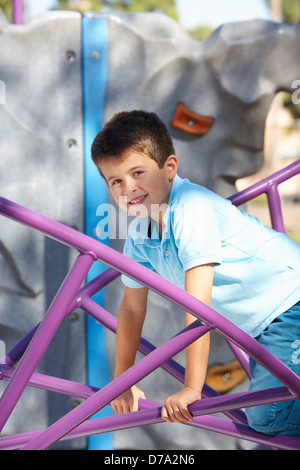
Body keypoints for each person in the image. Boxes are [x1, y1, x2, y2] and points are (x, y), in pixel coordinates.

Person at [91, 110, 300, 436]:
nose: (128, 188)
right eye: (116, 180)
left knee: (268, 417)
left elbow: (197, 308)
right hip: (262, 325)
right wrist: (122, 382)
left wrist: (193, 387)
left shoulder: (191, 209)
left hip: (291, 300)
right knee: (271, 416)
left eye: (138, 172)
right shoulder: (139, 234)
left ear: (170, 167)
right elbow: (131, 310)